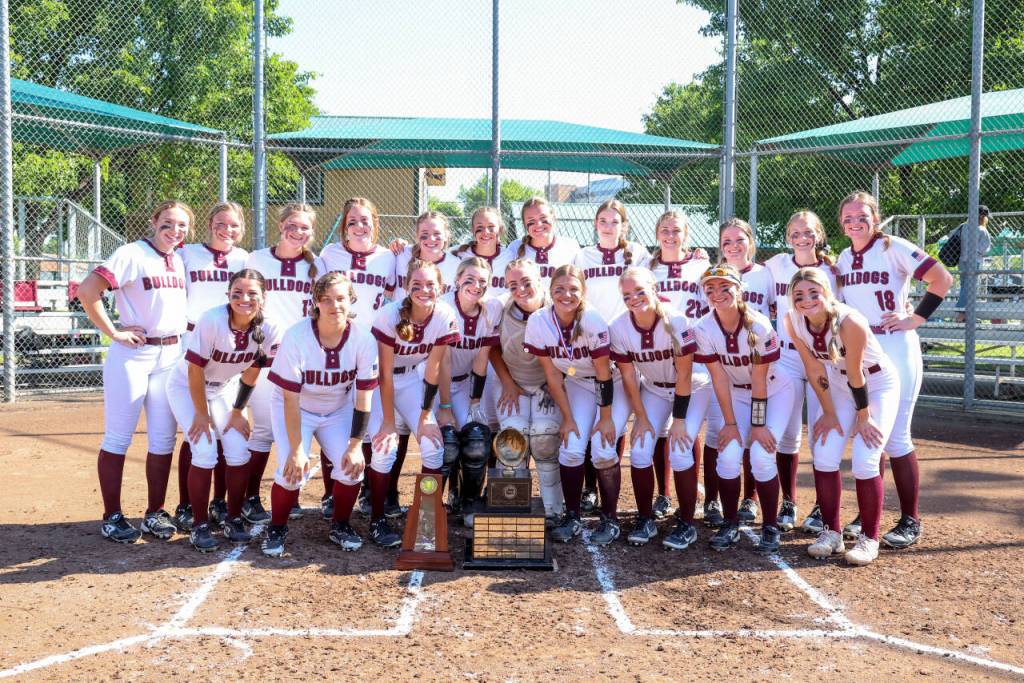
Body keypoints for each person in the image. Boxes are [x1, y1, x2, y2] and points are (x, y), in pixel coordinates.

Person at [836, 191, 953, 548]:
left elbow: (942, 279)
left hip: (895, 343)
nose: (855, 222)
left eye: (862, 216)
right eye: (848, 218)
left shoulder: (893, 246)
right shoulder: (843, 256)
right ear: (841, 224)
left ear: (875, 217)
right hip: (863, 347)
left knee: (897, 435)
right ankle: (867, 513)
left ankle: (910, 519)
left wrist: (915, 317)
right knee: (871, 431)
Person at [76, 200, 191, 543]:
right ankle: (112, 516)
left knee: (162, 438)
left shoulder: (181, 258)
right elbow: (88, 291)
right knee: (118, 437)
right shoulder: (132, 253)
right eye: (168, 223)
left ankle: (155, 513)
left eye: (182, 225)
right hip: (133, 353)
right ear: (153, 221)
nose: (174, 231)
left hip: (171, 353)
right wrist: (114, 332)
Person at [785, 268, 900, 566]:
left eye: (814, 292)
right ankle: (831, 532)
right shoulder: (792, 320)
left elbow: (857, 373)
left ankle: (869, 538)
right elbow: (814, 369)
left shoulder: (850, 322)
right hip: (838, 383)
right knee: (823, 453)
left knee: (865, 458)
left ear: (827, 292)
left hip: (875, 385)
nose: (807, 300)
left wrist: (863, 417)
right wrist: (829, 411)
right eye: (799, 295)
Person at [261, 272, 379, 556]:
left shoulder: (363, 338)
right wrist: (297, 450)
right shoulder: (297, 336)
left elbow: (363, 397)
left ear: (351, 300)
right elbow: (290, 399)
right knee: (292, 471)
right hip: (296, 407)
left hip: (337, 409)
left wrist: (354, 447)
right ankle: (277, 526)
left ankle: (340, 524)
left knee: (352, 469)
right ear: (315, 302)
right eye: (326, 299)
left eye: (340, 299)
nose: (334, 305)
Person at [166, 269, 282, 552]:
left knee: (238, 449)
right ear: (228, 295)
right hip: (186, 386)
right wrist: (201, 413)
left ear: (264, 297)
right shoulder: (213, 319)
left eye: (253, 293)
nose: (245, 298)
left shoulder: (269, 327)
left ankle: (232, 518)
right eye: (237, 293)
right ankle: (200, 524)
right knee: (204, 450)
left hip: (224, 388)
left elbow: (254, 370)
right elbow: (195, 369)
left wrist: (238, 410)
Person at [524, 265, 631, 546]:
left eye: (573, 289)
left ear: (583, 292)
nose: (566, 295)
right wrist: (568, 418)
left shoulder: (592, 319)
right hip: (577, 383)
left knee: (603, 446)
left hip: (612, 384)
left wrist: (605, 418)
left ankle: (610, 518)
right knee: (571, 446)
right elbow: (551, 374)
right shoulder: (539, 321)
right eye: (559, 289)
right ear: (550, 292)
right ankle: (572, 516)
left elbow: (603, 373)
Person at [693, 264, 793, 553]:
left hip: (773, 392)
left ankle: (771, 526)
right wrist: (730, 423)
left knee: (761, 455)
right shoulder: (703, 327)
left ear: (740, 290)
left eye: (725, 286)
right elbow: (719, 378)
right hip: (735, 394)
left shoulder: (758, 324)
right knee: (728, 456)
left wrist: (758, 425)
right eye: (710, 288)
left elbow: (760, 380)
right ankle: (730, 523)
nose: (717, 293)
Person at [610, 268, 712, 550]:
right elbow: (630, 376)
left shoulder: (676, 320)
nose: (635, 298)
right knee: (641, 448)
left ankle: (687, 524)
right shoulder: (619, 326)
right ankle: (645, 518)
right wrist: (640, 418)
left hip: (692, 387)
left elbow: (684, 373)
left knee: (680, 449)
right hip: (653, 388)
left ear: (654, 288)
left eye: (640, 291)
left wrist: (678, 420)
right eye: (627, 294)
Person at [368, 260, 461, 547]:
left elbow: (433, 369)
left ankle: (427, 516)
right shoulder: (389, 315)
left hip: (411, 380)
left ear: (441, 288)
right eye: (416, 285)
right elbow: (384, 374)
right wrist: (387, 421)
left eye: (430, 284)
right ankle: (377, 519)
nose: (424, 290)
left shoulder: (444, 314)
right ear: (407, 287)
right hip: (376, 381)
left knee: (433, 446)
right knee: (385, 449)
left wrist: (424, 417)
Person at [314, 197, 396, 519]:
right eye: (353, 222)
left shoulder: (388, 257)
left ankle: (365, 495)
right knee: (334, 419)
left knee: (365, 424)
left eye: (366, 221)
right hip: (335, 349)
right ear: (344, 228)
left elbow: (393, 295)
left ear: (375, 224)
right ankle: (330, 493)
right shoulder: (329, 256)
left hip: (370, 350)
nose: (360, 227)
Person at [173, 201, 249, 533]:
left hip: (229, 350)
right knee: (195, 434)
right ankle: (187, 505)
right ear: (209, 223)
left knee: (226, 435)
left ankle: (219, 503)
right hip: (191, 342)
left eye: (233, 225)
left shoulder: (245, 259)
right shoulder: (187, 253)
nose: (227, 230)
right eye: (221, 223)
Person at [763, 211, 838, 534]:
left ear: (819, 234)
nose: (801, 237)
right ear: (787, 236)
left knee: (823, 432)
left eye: (807, 232)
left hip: (824, 357)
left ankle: (823, 506)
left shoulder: (833, 270)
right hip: (787, 356)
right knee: (788, 433)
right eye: (794, 232)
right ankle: (789, 501)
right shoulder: (775, 265)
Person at [242, 203, 317, 525]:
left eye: (305, 228)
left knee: (298, 428)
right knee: (261, 431)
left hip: (303, 358)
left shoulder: (318, 264)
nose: (298, 232)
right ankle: (249, 498)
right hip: (265, 355)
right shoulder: (257, 259)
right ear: (280, 224)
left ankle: (293, 493)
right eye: (292, 225)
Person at [490, 259, 563, 524]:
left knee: (545, 438)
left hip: (549, 385)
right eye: (513, 285)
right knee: (512, 439)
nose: (520, 289)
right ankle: (509, 507)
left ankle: (554, 509)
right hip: (514, 383)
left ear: (540, 280)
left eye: (526, 282)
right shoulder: (500, 308)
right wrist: (507, 382)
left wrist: (558, 383)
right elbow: (492, 348)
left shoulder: (559, 307)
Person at [649, 211, 711, 522]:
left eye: (676, 230)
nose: (670, 235)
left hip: (692, 352)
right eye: (665, 230)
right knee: (661, 428)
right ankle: (663, 493)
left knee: (687, 427)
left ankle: (696, 494)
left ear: (686, 234)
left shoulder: (701, 265)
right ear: (656, 233)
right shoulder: (646, 267)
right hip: (657, 357)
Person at [715, 218, 775, 527]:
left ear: (750, 241)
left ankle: (750, 500)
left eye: (740, 240)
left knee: (757, 438)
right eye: (727, 241)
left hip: (760, 366)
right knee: (722, 435)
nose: (734, 246)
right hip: (727, 367)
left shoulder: (766, 274)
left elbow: (777, 311)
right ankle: (717, 502)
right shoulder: (713, 277)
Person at [439, 257, 503, 523]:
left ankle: (469, 501)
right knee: (447, 443)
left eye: (482, 282)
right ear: (456, 280)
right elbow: (440, 361)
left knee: (477, 439)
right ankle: (431, 507)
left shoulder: (489, 311)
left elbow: (481, 358)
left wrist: (475, 402)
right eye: (469, 279)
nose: (476, 286)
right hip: (432, 383)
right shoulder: (442, 307)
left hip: (466, 383)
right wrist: (444, 407)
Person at [572, 199, 651, 323]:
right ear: (595, 223)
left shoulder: (637, 252)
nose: (608, 227)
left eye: (614, 222)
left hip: (629, 330)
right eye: (603, 221)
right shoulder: (582, 255)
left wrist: (691, 256)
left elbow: (661, 264)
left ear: (623, 226)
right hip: (592, 328)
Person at [506, 197, 581, 289]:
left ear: (553, 218)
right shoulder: (515, 247)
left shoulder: (570, 246)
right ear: (524, 224)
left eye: (543, 218)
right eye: (531, 221)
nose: (538, 224)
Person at [392, 211, 460, 300]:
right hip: (400, 312)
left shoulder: (456, 265)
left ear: (446, 235)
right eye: (425, 234)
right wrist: (394, 244)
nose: (431, 239)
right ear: (416, 236)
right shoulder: (401, 253)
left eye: (437, 233)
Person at [452, 206, 515, 298]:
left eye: (491, 227)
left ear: (500, 229)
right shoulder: (459, 255)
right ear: (472, 230)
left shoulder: (509, 256)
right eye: (480, 227)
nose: (485, 232)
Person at [954, 204, 993, 322]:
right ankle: (961, 314)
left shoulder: (963, 227)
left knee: (964, 286)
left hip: (962, 260)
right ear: (982, 216)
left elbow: (952, 236)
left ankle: (965, 315)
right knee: (970, 288)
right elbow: (984, 249)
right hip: (974, 261)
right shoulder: (982, 230)